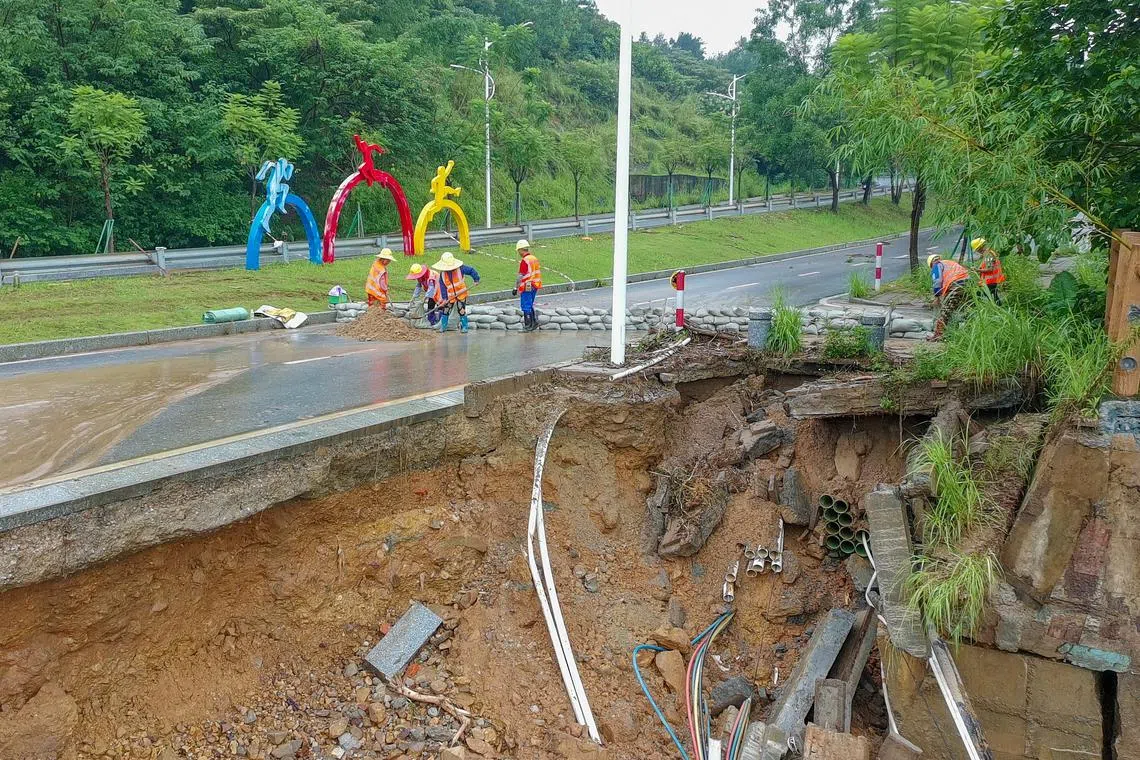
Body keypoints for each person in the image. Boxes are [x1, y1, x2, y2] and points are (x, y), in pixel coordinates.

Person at [432, 252, 480, 334]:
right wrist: (444, 298)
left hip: (461, 293)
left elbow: (471, 270)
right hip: (450, 295)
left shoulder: (461, 269)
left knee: (461, 309)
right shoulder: (443, 274)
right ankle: (443, 327)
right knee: (446, 310)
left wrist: (476, 279)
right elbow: (443, 287)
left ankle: (464, 327)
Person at [927, 252, 971, 339]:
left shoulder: (936, 265)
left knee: (945, 312)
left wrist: (937, 296)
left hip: (956, 286)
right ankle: (969, 330)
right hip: (969, 285)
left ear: (931, 264)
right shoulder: (949, 262)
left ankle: (938, 335)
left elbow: (937, 281)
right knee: (965, 310)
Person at [512, 239, 542, 332]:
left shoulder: (525, 260)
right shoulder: (534, 258)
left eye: (518, 251)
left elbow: (520, 276)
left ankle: (528, 326)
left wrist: (515, 287)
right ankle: (534, 323)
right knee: (530, 304)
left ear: (521, 250)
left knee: (525, 305)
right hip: (535, 284)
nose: (518, 253)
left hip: (527, 285)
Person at [972, 237, 1005, 303]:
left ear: (980, 248)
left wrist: (977, 270)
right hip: (993, 280)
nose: (977, 251)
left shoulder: (988, 255)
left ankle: (984, 307)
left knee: (979, 294)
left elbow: (990, 269)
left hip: (991, 280)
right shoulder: (989, 253)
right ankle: (999, 306)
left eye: (977, 250)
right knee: (994, 295)